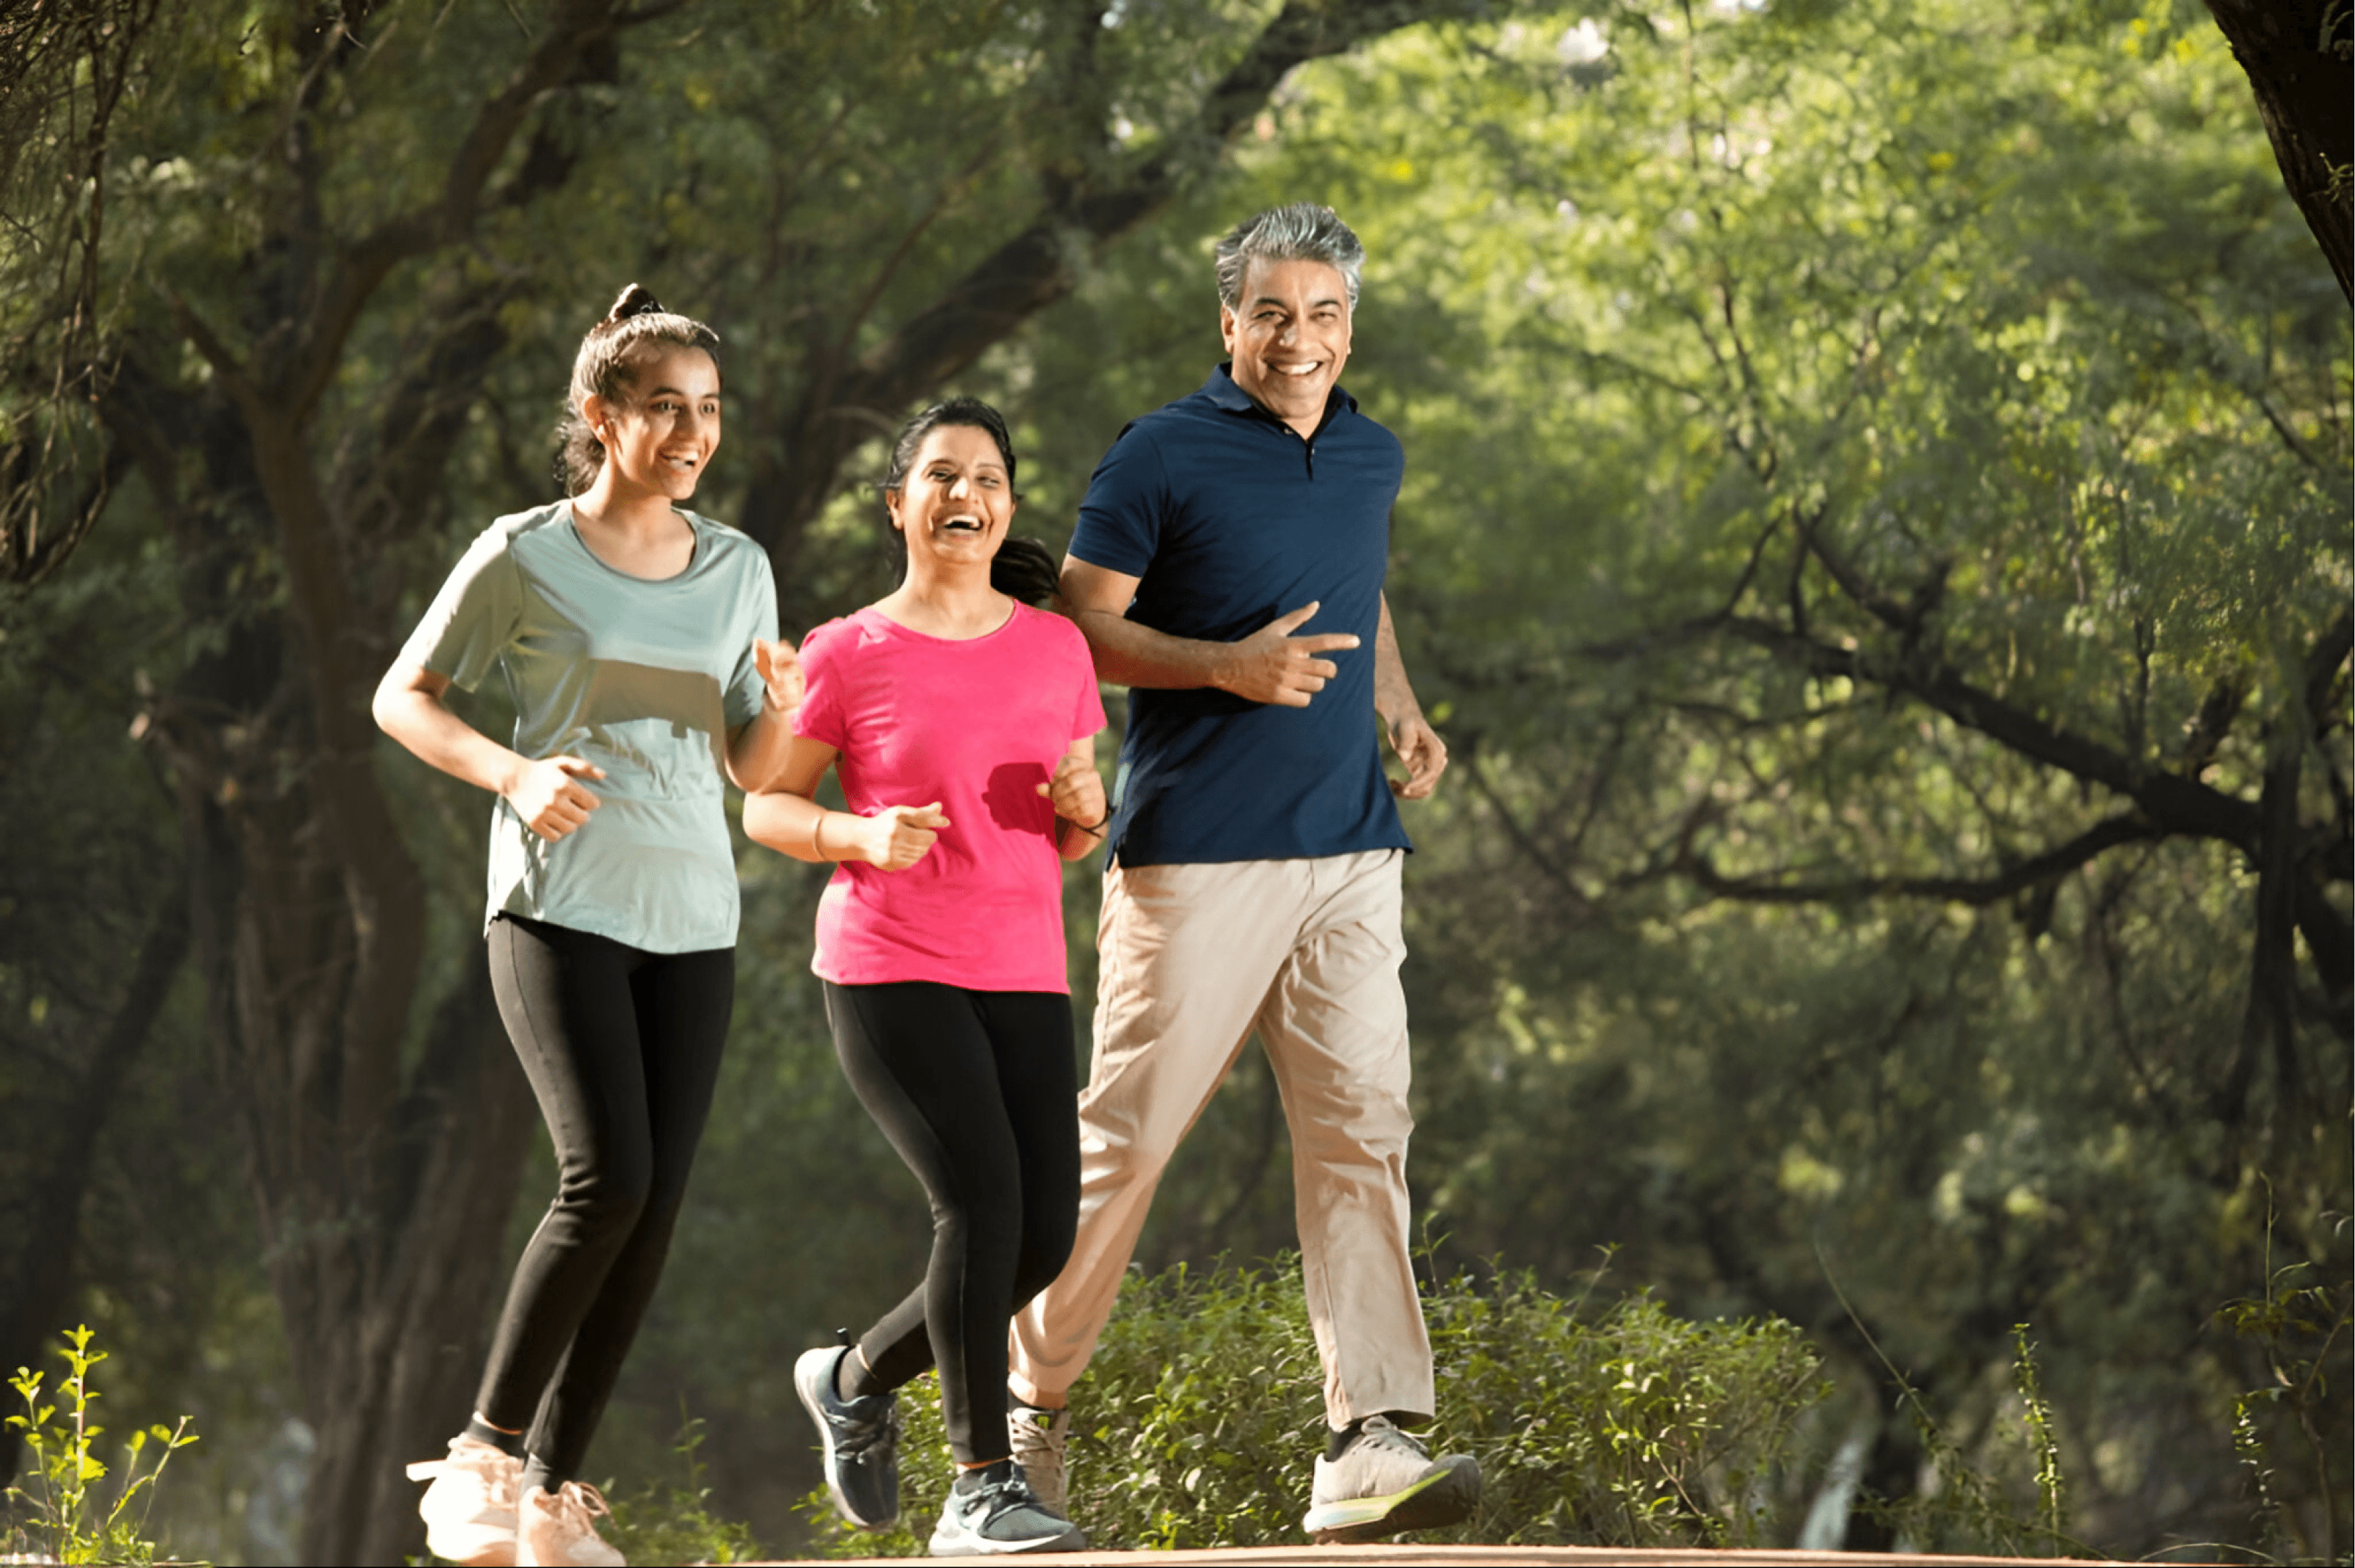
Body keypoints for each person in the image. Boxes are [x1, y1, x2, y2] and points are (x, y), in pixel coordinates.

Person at [1003, 203, 1482, 1545]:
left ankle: (1367, 1437)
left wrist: (1402, 707)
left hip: (1352, 854)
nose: (1299, 339)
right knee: (1128, 1142)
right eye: (1273, 313)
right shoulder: (1161, 453)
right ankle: (1021, 1419)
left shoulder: (1372, 451)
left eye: (1323, 314)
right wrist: (1225, 667)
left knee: (1362, 1135)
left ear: (1349, 326)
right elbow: (1078, 631)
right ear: (1230, 323)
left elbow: (1360, 592)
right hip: (1197, 856)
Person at [379, 285, 799, 1568]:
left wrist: (790, 706)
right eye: (665, 406)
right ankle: (484, 1454)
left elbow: (754, 767)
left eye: (709, 410)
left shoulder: (740, 567)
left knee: (655, 1203)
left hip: (695, 911)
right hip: (559, 907)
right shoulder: (525, 551)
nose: (692, 431)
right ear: (601, 414)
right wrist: (514, 774)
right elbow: (405, 697)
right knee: (604, 1176)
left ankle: (555, 1497)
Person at [744, 398, 1105, 1558]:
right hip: (890, 962)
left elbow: (1078, 813)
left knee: (1042, 1237)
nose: (968, 495)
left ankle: (851, 1378)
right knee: (981, 1203)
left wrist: (1086, 816)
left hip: (1026, 968)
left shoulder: (1058, 647)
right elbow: (769, 803)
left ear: (1008, 505)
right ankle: (978, 1487)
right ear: (899, 504)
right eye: (942, 476)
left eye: (990, 477)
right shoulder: (849, 649)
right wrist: (854, 837)